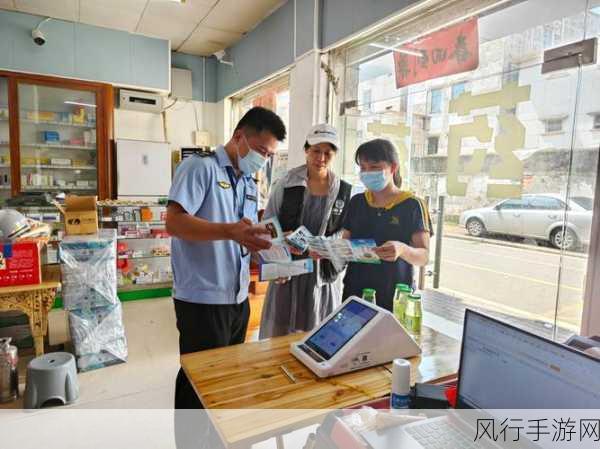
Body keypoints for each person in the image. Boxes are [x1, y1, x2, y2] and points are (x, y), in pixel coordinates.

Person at [166, 106, 287, 409]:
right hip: (202, 299)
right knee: (198, 383)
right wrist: (229, 231)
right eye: (261, 150)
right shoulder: (200, 168)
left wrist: (272, 261)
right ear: (238, 137)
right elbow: (175, 223)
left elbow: (243, 237)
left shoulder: (247, 183)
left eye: (269, 155)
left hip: (237, 300)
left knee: (228, 380)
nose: (263, 159)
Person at [259, 124, 352, 338]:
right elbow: (268, 225)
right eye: (316, 151)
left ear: (335, 155)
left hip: (322, 275)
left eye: (327, 153)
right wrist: (281, 249)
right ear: (306, 150)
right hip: (288, 271)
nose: (321, 157)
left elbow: (346, 234)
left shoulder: (344, 192)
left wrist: (323, 246)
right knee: (280, 336)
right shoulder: (286, 183)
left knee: (319, 336)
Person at [341, 138, 432, 312]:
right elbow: (345, 245)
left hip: (394, 296)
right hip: (355, 292)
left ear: (393, 167)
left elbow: (424, 256)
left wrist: (402, 249)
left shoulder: (412, 205)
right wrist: (326, 251)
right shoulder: (357, 202)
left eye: (374, 167)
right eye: (362, 168)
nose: (367, 173)